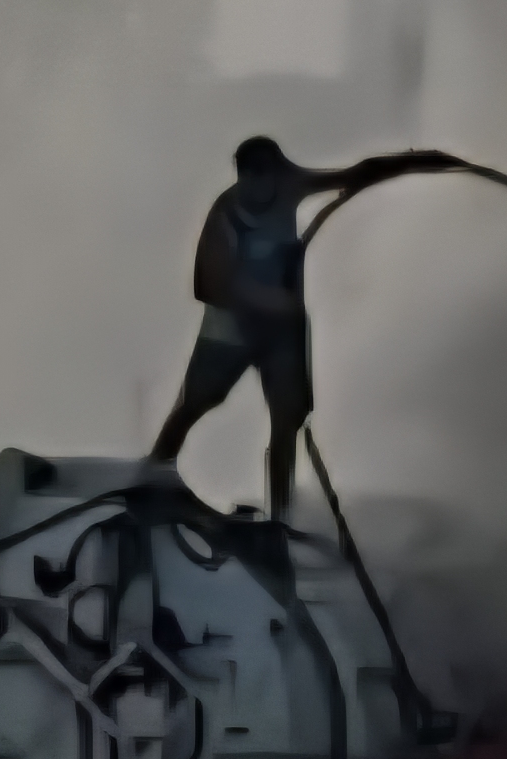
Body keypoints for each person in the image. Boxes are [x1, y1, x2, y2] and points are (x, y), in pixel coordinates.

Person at [147, 137, 472, 521]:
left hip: (283, 333)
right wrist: (264, 299)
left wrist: (413, 162)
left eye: (263, 176)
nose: (256, 186)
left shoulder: (290, 186)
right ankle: (150, 478)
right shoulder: (226, 211)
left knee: (287, 420)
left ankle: (280, 517)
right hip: (229, 331)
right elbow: (206, 284)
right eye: (247, 177)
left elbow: (355, 173)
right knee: (195, 403)